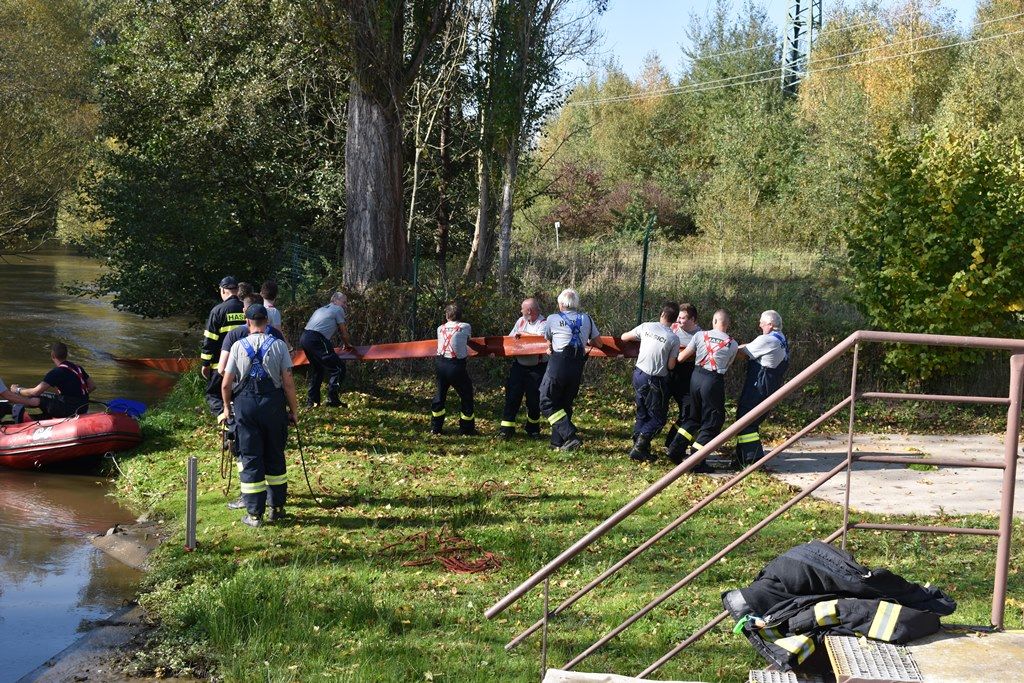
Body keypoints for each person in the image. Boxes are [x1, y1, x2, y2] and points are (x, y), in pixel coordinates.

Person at [220, 304, 299, 527]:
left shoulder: (237, 346)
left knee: (250, 457)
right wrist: (293, 412)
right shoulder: (279, 345)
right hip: (273, 406)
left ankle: (254, 515)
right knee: (275, 453)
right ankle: (277, 508)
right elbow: (288, 384)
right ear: (268, 322)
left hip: (246, 407)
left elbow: (226, 384)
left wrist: (227, 408)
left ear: (247, 323)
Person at [667, 309, 739, 470]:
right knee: (713, 421)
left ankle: (675, 449)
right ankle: (697, 459)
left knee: (693, 416)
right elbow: (728, 365)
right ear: (727, 324)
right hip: (713, 380)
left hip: (696, 377)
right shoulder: (732, 344)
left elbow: (681, 357)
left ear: (714, 321)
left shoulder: (700, 335)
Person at [540, 288, 603, 451]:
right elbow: (598, 343)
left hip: (559, 364)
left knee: (546, 401)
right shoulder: (587, 318)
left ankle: (570, 436)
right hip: (576, 366)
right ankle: (558, 443)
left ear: (561, 304)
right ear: (576, 304)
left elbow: (548, 338)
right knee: (564, 403)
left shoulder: (553, 318)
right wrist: (585, 338)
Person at [621, 303, 680, 462]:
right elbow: (671, 365)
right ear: (675, 320)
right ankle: (640, 446)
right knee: (658, 418)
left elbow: (624, 337)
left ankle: (638, 446)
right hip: (655, 380)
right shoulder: (673, 338)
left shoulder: (646, 326)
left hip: (639, 374)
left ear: (661, 314)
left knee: (642, 412)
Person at [734, 310, 790, 467]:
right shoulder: (780, 338)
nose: (759, 325)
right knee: (750, 420)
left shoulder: (767, 340)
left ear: (770, 325)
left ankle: (753, 459)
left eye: (762, 322)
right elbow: (752, 346)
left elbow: (743, 352)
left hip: (759, 386)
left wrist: (728, 349)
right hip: (769, 386)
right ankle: (740, 459)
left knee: (746, 420)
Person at [499, 298, 547, 439]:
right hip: (519, 366)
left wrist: (522, 337)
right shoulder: (520, 321)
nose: (520, 311)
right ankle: (506, 430)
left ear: (529, 311)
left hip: (536, 369)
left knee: (534, 400)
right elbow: (510, 339)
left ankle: (533, 429)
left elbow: (539, 340)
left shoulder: (544, 324)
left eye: (522, 309)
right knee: (512, 397)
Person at [10, 342, 96, 418]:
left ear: (52, 355)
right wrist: (77, 394)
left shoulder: (57, 372)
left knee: (38, 398)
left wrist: (17, 390)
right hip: (84, 407)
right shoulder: (78, 368)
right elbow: (92, 386)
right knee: (46, 396)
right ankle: (41, 417)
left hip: (70, 410)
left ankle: (16, 410)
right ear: (66, 354)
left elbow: (35, 392)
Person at [200, 276, 245, 415]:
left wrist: (205, 363)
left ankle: (224, 420)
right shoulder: (246, 308)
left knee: (214, 395)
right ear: (237, 290)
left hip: (221, 363)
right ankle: (238, 416)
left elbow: (210, 340)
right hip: (244, 361)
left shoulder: (218, 311)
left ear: (224, 290)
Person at [300, 292, 353, 408]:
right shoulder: (338, 309)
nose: (345, 305)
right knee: (338, 368)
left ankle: (312, 402)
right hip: (317, 338)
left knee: (318, 369)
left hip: (305, 337)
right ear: (335, 300)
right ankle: (332, 399)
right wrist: (348, 344)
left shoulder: (321, 309)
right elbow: (343, 332)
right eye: (344, 302)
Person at [431, 303, 476, 435]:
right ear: (461, 316)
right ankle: (466, 429)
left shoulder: (440, 328)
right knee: (466, 395)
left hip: (440, 364)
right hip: (456, 366)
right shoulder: (465, 327)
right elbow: (468, 341)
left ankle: (436, 427)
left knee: (440, 395)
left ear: (446, 316)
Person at [664, 303, 702, 449]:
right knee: (658, 412)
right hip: (668, 373)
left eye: (683, 318)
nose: (679, 320)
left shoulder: (700, 335)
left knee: (688, 412)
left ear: (693, 319)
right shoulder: (672, 329)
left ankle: (672, 442)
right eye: (678, 317)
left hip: (687, 378)